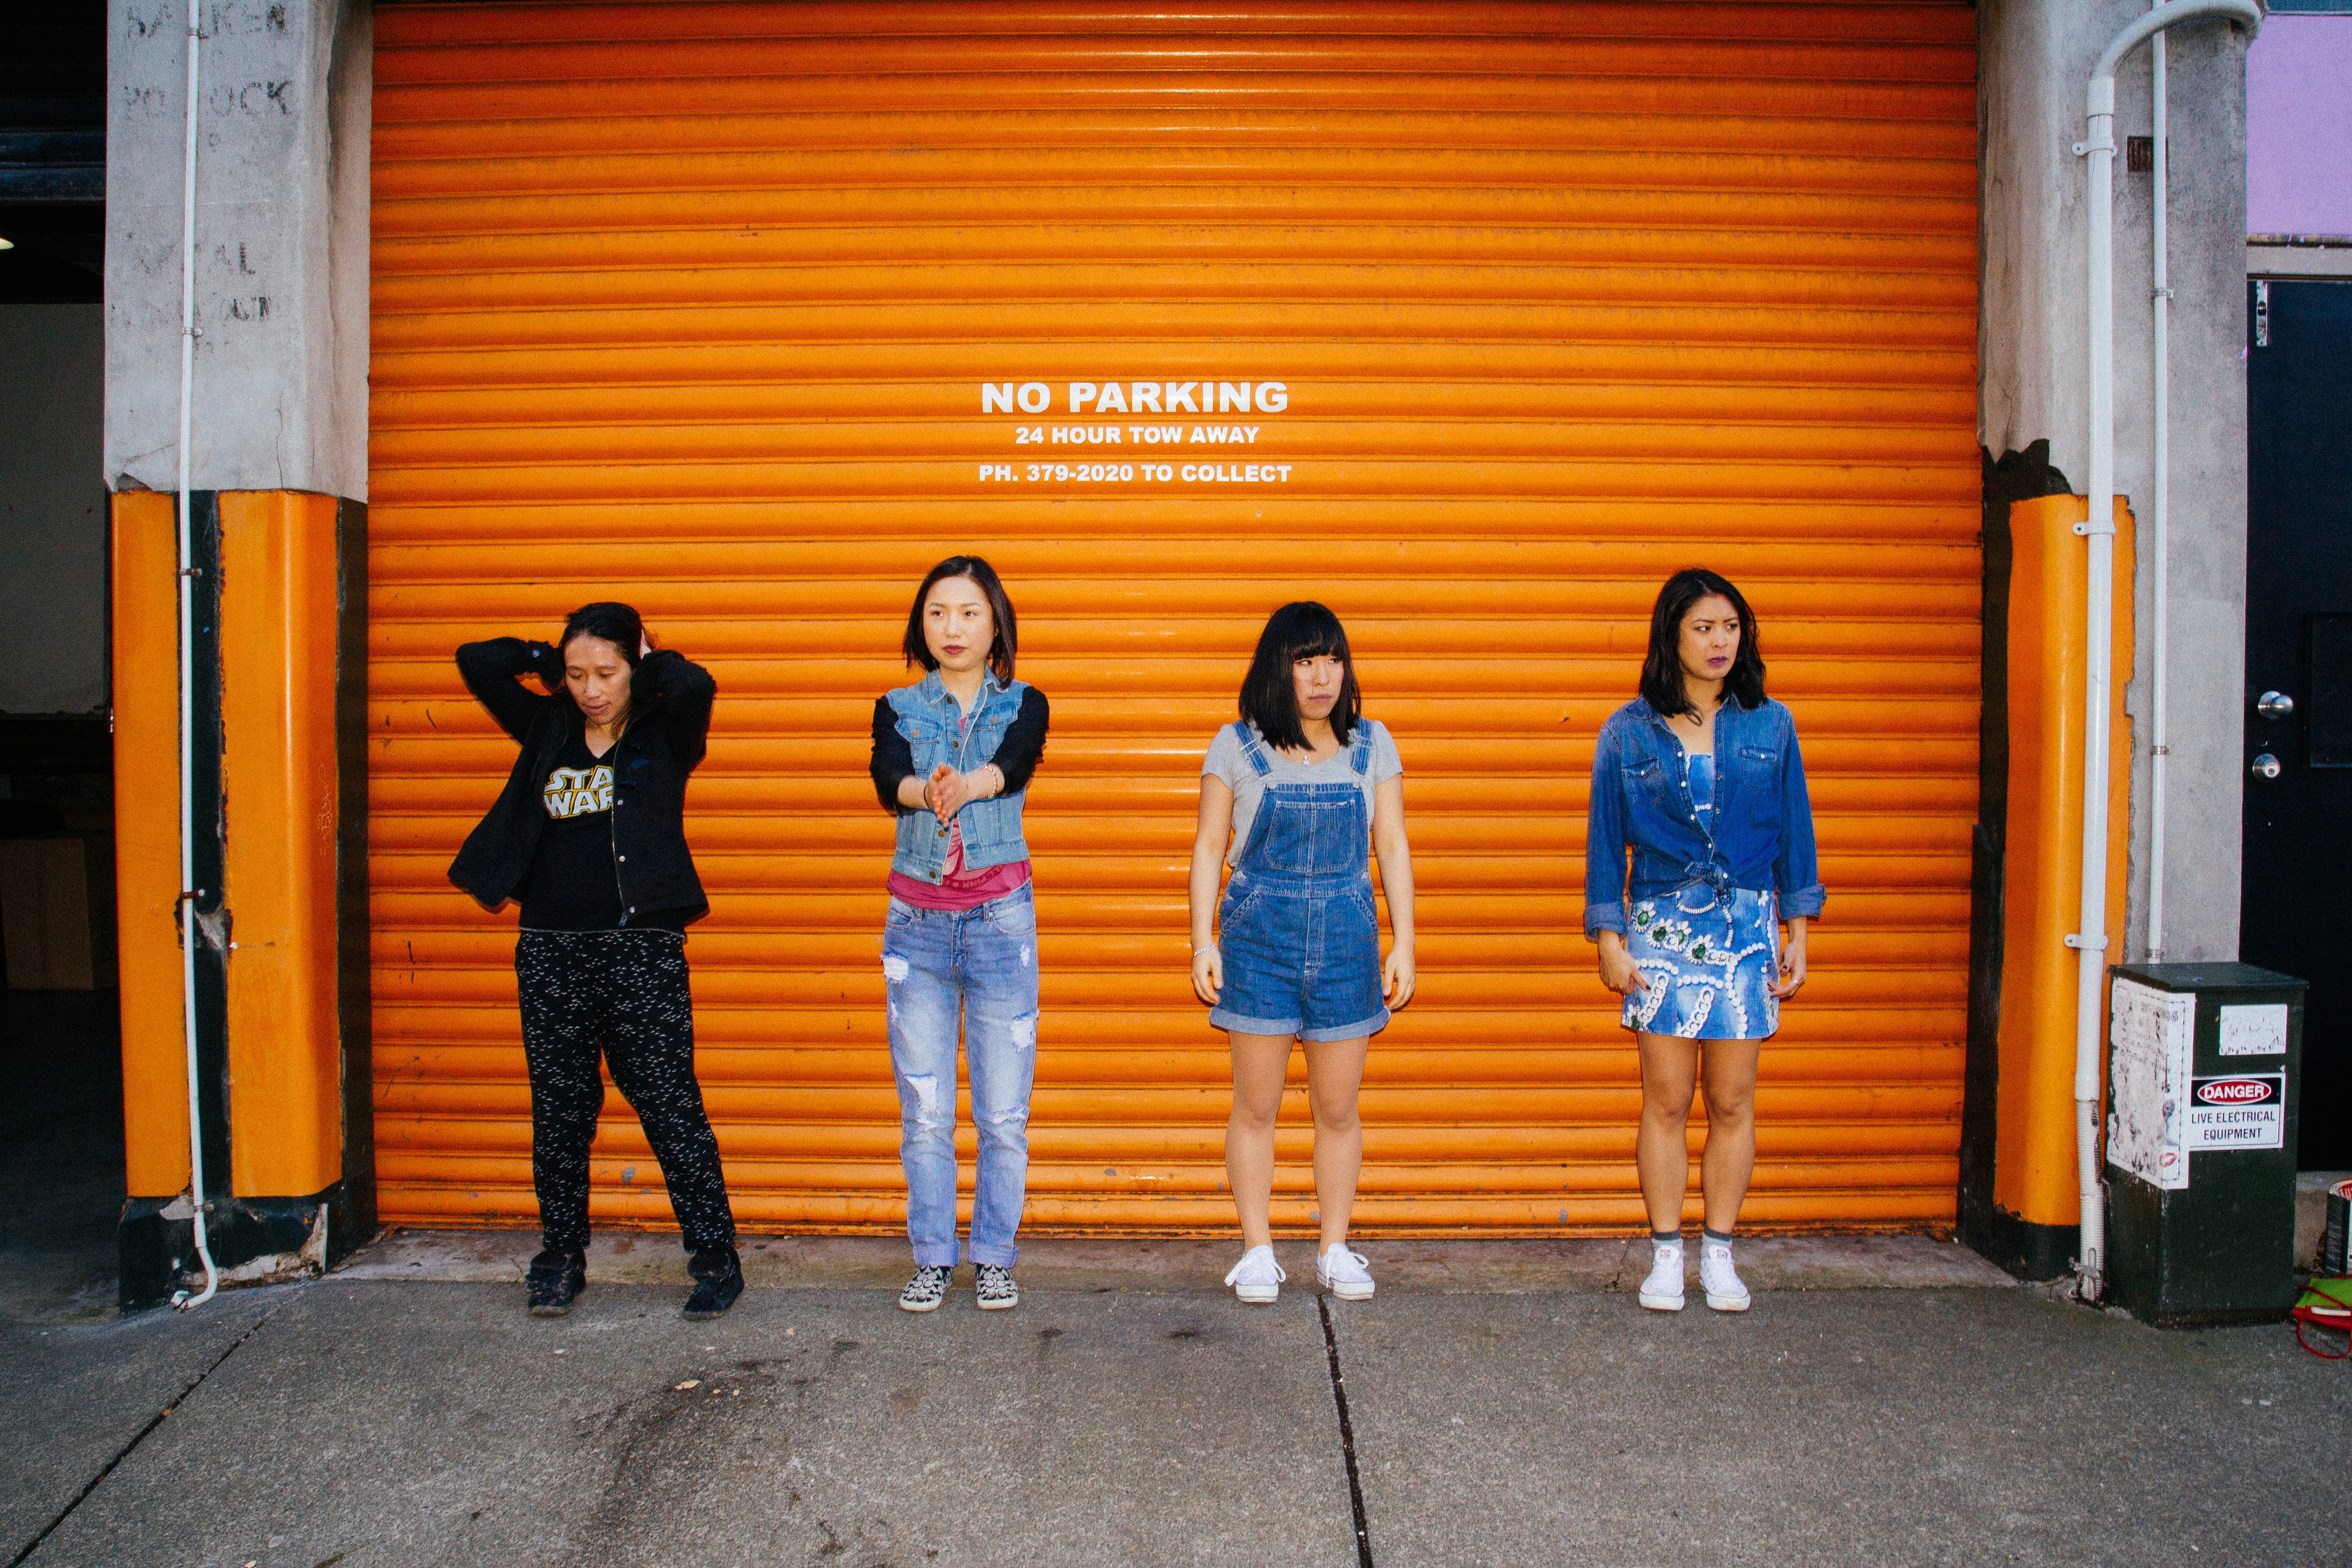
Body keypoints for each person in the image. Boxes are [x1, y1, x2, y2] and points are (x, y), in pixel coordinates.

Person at [448, 603, 743, 1320]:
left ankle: (714, 1255)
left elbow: (695, 683)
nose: (590, 689)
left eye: (606, 672)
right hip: (551, 948)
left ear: (633, 666)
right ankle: (559, 1255)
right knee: (560, 1110)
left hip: (642, 948)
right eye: (577, 675)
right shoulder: (546, 725)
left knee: (670, 1105)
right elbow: (474, 661)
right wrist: (542, 657)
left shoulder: (666, 733)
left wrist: (648, 660)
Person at [1585, 568, 1823, 1313]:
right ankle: (1664, 1255)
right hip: (1661, 929)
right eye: (1704, 628)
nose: (1721, 641)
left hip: (1747, 928)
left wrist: (1798, 930)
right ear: (1673, 637)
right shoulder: (1629, 731)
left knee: (1733, 1100)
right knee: (1664, 1099)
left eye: (1730, 626)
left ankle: (1719, 1253)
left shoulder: (1771, 723)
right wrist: (1609, 937)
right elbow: (1604, 843)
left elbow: (1797, 832)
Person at [1189, 602, 1416, 1306]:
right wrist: (1203, 940)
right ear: (1277, 670)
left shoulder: (1374, 746)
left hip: (1349, 943)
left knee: (1338, 1111)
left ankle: (1335, 1246)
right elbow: (1206, 848)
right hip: (1259, 942)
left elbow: (1393, 846)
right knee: (1256, 1108)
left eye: (1333, 660)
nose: (1321, 677)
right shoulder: (1237, 746)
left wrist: (1405, 939)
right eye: (1305, 661)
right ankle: (1257, 1249)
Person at [868, 557, 1050, 1313]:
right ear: (922, 625)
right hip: (916, 927)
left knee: (1004, 1116)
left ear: (996, 624)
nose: (953, 627)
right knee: (927, 1113)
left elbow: (1017, 761)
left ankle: (996, 1256)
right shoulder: (896, 704)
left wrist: (968, 784)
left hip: (1000, 922)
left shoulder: (1027, 701)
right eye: (939, 612)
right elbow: (887, 781)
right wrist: (927, 790)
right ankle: (934, 1257)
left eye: (970, 613)